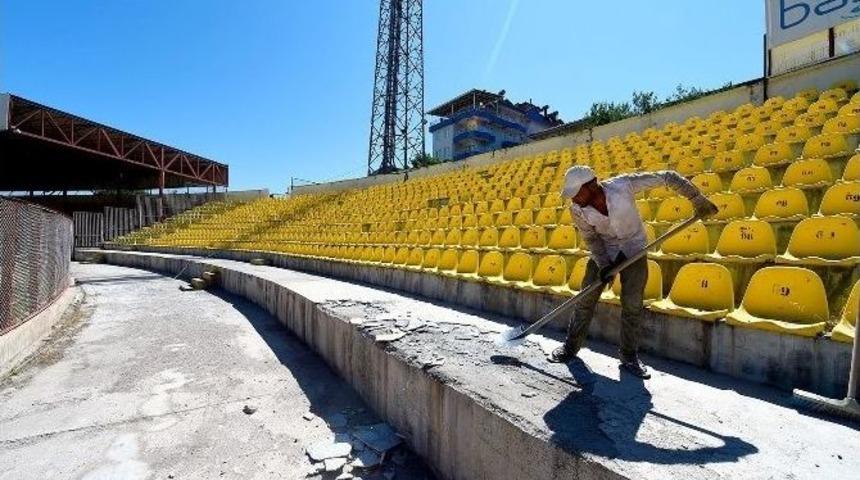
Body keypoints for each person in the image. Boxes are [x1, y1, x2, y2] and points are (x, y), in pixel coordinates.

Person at [549, 166, 718, 378]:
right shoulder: (577, 209)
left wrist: (696, 199)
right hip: (605, 252)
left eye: (577, 193)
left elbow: (667, 176)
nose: (573, 199)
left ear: (592, 185)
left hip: (634, 250)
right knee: (585, 300)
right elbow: (591, 239)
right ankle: (570, 347)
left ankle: (629, 356)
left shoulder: (623, 185)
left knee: (632, 304)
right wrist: (603, 265)